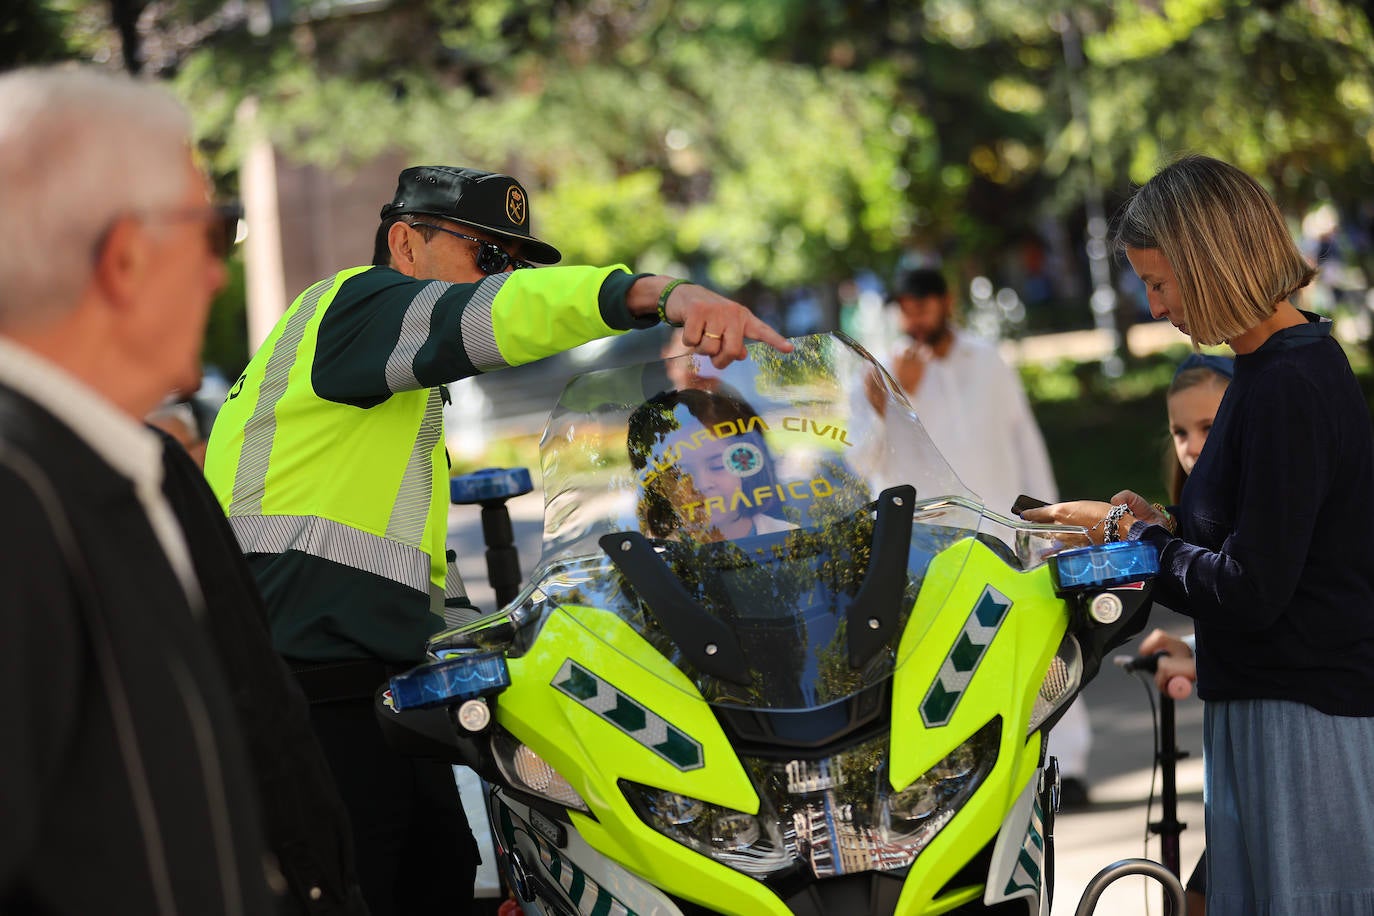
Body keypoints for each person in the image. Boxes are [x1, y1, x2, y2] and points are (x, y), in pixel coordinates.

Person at [202, 164, 792, 914]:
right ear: (405, 243)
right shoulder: (357, 305)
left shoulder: (390, 390)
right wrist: (658, 294)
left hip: (363, 691)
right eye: (488, 258)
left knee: (444, 869)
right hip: (306, 697)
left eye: (510, 264)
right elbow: (506, 317)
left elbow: (411, 576)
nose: (500, 278)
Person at [1021, 154, 1374, 914]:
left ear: (1211, 263)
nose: (1153, 308)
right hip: (1272, 709)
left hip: (1302, 722)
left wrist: (1127, 534)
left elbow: (1253, 589)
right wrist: (1160, 524)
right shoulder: (1270, 368)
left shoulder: (1286, 382)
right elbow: (1267, 532)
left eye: (1158, 282)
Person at [0, 64, 280, 913]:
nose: (218, 275)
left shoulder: (85, 472)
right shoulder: (18, 502)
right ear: (125, 256)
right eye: (211, 231)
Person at [867, 266, 1093, 807]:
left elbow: (1025, 443)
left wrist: (1055, 520)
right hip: (934, 547)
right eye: (906, 306)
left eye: (924, 303)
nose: (916, 315)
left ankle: (1072, 765)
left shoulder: (988, 359)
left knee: (1045, 643)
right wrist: (890, 400)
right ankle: (978, 782)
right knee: (954, 660)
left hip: (1007, 528)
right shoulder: (880, 374)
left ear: (946, 301)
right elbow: (863, 461)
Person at [1138, 351, 1234, 916]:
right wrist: (1191, 648)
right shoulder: (1197, 512)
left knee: (1198, 897)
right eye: (1180, 431)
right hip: (1233, 753)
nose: (1192, 445)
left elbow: (1262, 603)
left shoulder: (1264, 507)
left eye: (1208, 427)